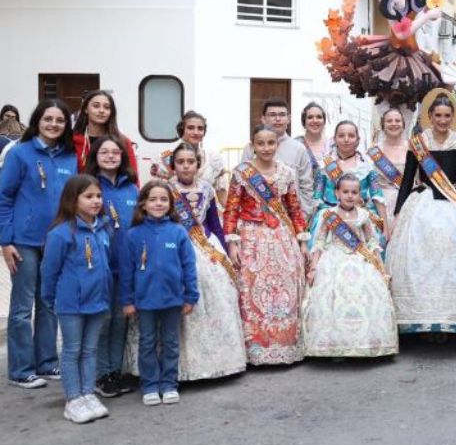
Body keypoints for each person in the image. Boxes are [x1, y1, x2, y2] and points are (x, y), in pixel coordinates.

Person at [388, 90, 456, 335]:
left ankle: (451, 318)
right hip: (422, 203)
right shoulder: (418, 144)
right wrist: (397, 213)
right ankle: (421, 318)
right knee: (420, 259)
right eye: (438, 116)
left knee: (453, 259)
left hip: (455, 204)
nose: (443, 121)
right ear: (430, 117)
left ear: (453, 118)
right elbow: (406, 181)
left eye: (447, 116)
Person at [0, 99, 77, 389]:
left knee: (48, 304)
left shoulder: (69, 157)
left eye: (60, 120)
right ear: (37, 121)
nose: (53, 124)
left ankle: (48, 363)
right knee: (21, 308)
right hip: (23, 242)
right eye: (48, 119)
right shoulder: (20, 154)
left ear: (66, 125)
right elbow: (3, 199)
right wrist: (5, 241)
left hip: (56, 242)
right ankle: (20, 369)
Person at [224, 125, 309, 365]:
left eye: (270, 143)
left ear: (277, 145)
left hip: (282, 237)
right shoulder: (242, 172)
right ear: (252, 145)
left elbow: (294, 208)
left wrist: (302, 241)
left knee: (285, 292)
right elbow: (231, 209)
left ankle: (285, 346)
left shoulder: (286, 173)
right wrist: (232, 243)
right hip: (252, 237)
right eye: (260, 143)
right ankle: (256, 349)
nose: (266, 148)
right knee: (252, 292)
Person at [165, 143, 245, 382]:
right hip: (176, 246)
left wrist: (226, 251)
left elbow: (214, 223)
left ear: (198, 165)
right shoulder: (166, 190)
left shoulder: (207, 189)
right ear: (173, 165)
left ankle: (218, 361)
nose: (186, 166)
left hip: (205, 245)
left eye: (191, 161)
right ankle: (178, 366)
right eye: (181, 162)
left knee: (220, 293)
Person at [40, 174, 113, 423]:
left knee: (90, 349)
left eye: (99, 196)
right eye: (89, 196)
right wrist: (51, 300)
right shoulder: (61, 234)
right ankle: (73, 399)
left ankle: (87, 393)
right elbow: (49, 272)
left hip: (98, 302)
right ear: (73, 200)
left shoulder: (103, 228)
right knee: (72, 350)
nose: (96, 201)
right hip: (72, 304)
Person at [119, 181, 198, 406]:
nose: (158, 203)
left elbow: (189, 267)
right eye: (152, 199)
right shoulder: (133, 235)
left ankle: (169, 383)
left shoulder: (178, 232)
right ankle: (150, 385)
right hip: (144, 302)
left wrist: (190, 296)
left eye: (163, 199)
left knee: (171, 342)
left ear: (171, 204)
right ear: (143, 204)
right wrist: (127, 300)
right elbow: (126, 271)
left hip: (173, 300)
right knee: (147, 342)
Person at [302, 174, 398, 359]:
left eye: (354, 192)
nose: (349, 195)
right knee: (333, 301)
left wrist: (380, 267)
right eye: (345, 191)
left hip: (359, 258)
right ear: (337, 193)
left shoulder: (364, 215)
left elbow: (371, 242)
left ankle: (365, 344)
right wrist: (313, 268)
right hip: (334, 258)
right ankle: (335, 346)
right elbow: (320, 242)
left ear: (359, 194)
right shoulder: (329, 215)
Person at [84, 138, 139, 399]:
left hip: (127, 267)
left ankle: (115, 371)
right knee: (102, 322)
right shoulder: (89, 186)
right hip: (101, 267)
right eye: (103, 152)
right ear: (95, 156)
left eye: (115, 152)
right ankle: (100, 374)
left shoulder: (132, 188)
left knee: (120, 321)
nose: (110, 156)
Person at [310, 120, 388, 249]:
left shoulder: (366, 165)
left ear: (358, 140)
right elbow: (317, 197)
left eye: (351, 136)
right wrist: (309, 224)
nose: (346, 140)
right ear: (334, 139)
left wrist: (385, 228)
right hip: (330, 217)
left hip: (361, 216)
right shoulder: (325, 165)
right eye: (341, 136)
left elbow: (377, 196)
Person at [240, 99, 316, 219]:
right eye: (272, 115)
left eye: (282, 115)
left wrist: (304, 215)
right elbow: (242, 183)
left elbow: (306, 185)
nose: (278, 119)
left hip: (289, 217)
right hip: (256, 217)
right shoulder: (250, 148)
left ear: (288, 119)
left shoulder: (299, 149)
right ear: (263, 119)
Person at [151, 111, 230, 205]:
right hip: (175, 213)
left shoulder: (213, 159)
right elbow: (156, 193)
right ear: (182, 130)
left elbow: (222, 194)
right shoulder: (165, 158)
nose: (196, 132)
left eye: (200, 128)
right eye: (190, 128)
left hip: (205, 214)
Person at [71, 90, 140, 182]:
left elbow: (133, 177)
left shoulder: (122, 141)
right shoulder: (73, 141)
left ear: (111, 112)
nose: (101, 111)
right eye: (96, 106)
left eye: (107, 107)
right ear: (86, 109)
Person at [367, 106, 409, 219]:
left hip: (407, 202)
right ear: (383, 125)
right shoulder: (374, 151)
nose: (394, 124)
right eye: (389, 121)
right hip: (380, 203)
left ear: (403, 125)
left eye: (397, 120)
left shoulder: (413, 148)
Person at [296, 101, 330, 183]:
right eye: (310, 117)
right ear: (304, 122)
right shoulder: (296, 145)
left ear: (324, 121)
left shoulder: (332, 145)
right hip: (304, 193)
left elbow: (337, 177)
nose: (315, 121)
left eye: (319, 117)